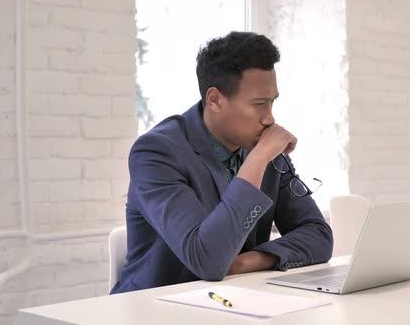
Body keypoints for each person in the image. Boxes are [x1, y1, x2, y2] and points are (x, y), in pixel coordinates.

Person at [111, 31, 333, 294]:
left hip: (231, 301)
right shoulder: (156, 153)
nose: (270, 118)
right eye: (259, 103)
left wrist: (247, 262)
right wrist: (260, 158)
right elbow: (208, 260)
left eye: (272, 102)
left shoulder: (260, 144)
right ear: (215, 100)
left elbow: (319, 235)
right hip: (151, 308)